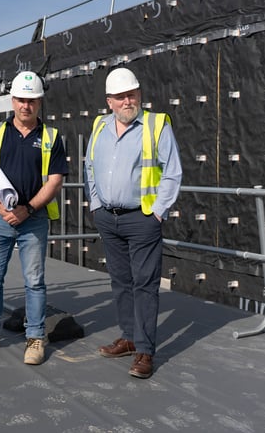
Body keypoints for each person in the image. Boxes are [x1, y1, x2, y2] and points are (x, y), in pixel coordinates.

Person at [0, 71, 68, 365]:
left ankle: (35, 337)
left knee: (34, 281)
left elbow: (55, 180)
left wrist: (28, 209)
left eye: (32, 100)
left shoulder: (51, 137)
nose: (26, 106)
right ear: (13, 101)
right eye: (21, 100)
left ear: (39, 102)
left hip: (33, 219)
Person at [84, 67, 182, 379]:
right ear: (109, 101)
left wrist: (157, 212)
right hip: (109, 218)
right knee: (121, 282)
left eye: (133, 94)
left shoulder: (155, 125)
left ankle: (144, 350)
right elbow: (90, 165)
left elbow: (173, 171)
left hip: (142, 219)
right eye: (122, 96)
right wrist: (97, 204)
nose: (129, 101)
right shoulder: (99, 126)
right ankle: (128, 337)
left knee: (145, 284)